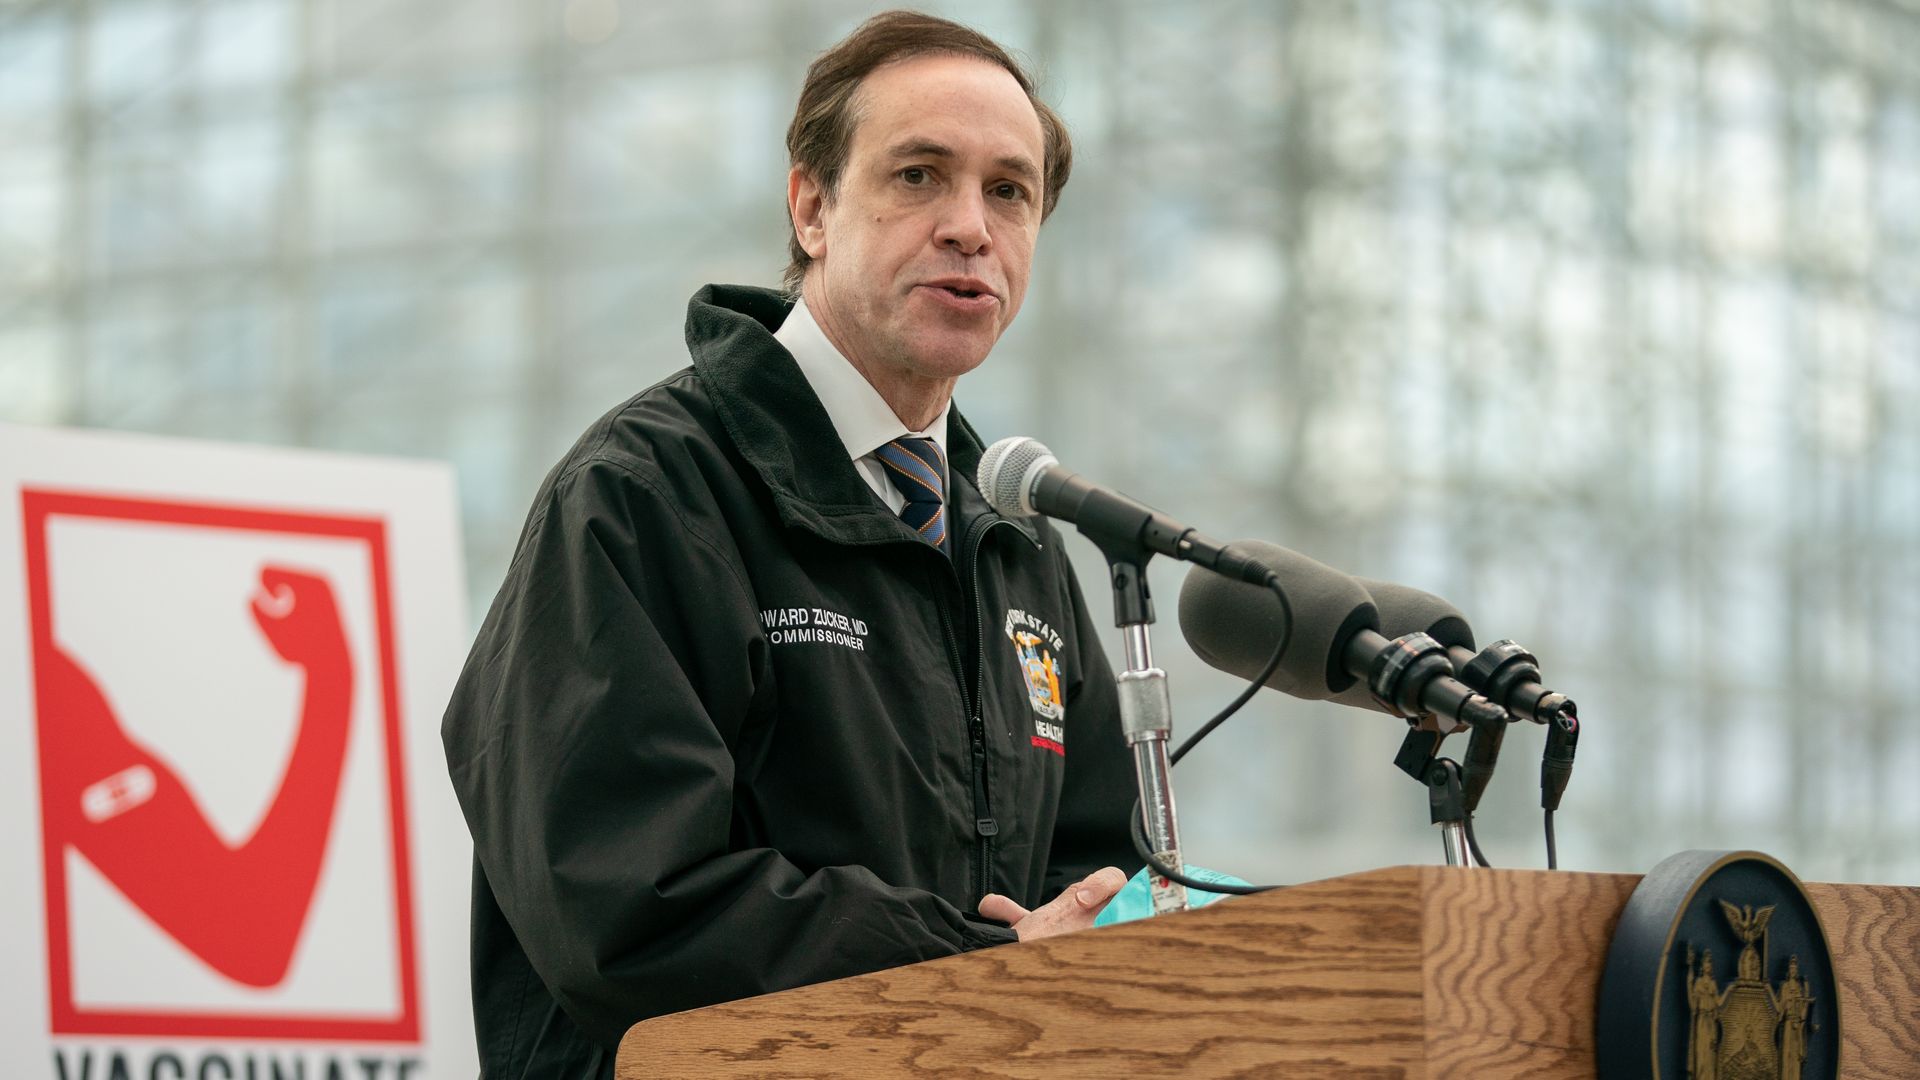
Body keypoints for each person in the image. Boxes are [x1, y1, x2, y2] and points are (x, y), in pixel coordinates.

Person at [440, 11, 1137, 1077]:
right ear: (812, 207)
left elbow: (1091, 882)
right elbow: (627, 902)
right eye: (918, 175)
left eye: (1010, 191)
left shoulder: (1015, 543)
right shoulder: (643, 496)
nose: (970, 227)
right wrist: (980, 963)